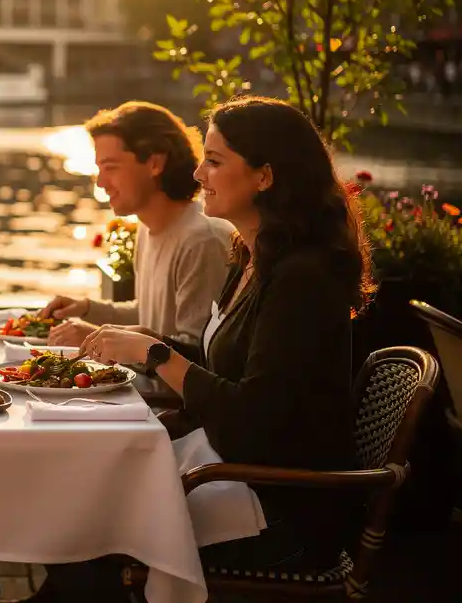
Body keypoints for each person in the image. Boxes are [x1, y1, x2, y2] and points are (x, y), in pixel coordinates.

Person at [32, 96, 371, 601]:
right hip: (237, 468)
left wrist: (155, 355)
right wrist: (146, 343)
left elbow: (253, 421)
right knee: (85, 489)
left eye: (214, 161)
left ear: (265, 177)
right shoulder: (251, 257)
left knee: (96, 518)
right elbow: (218, 371)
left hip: (283, 509)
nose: (198, 173)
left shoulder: (303, 278)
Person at [40, 101, 231, 357]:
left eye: (110, 167)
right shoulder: (146, 227)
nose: (101, 182)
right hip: (142, 389)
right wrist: (87, 309)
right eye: (99, 169)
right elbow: (149, 316)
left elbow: (196, 355)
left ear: (155, 164)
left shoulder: (200, 240)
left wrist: (96, 335)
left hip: (165, 398)